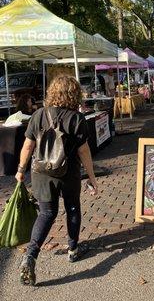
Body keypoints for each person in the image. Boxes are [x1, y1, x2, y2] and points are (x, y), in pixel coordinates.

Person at [15, 75, 98, 286]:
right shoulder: (76, 118)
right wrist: (91, 176)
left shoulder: (38, 114)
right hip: (68, 172)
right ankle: (73, 249)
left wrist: (20, 170)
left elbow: (27, 146)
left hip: (41, 173)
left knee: (46, 213)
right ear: (74, 94)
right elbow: (84, 151)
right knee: (72, 208)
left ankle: (31, 255)